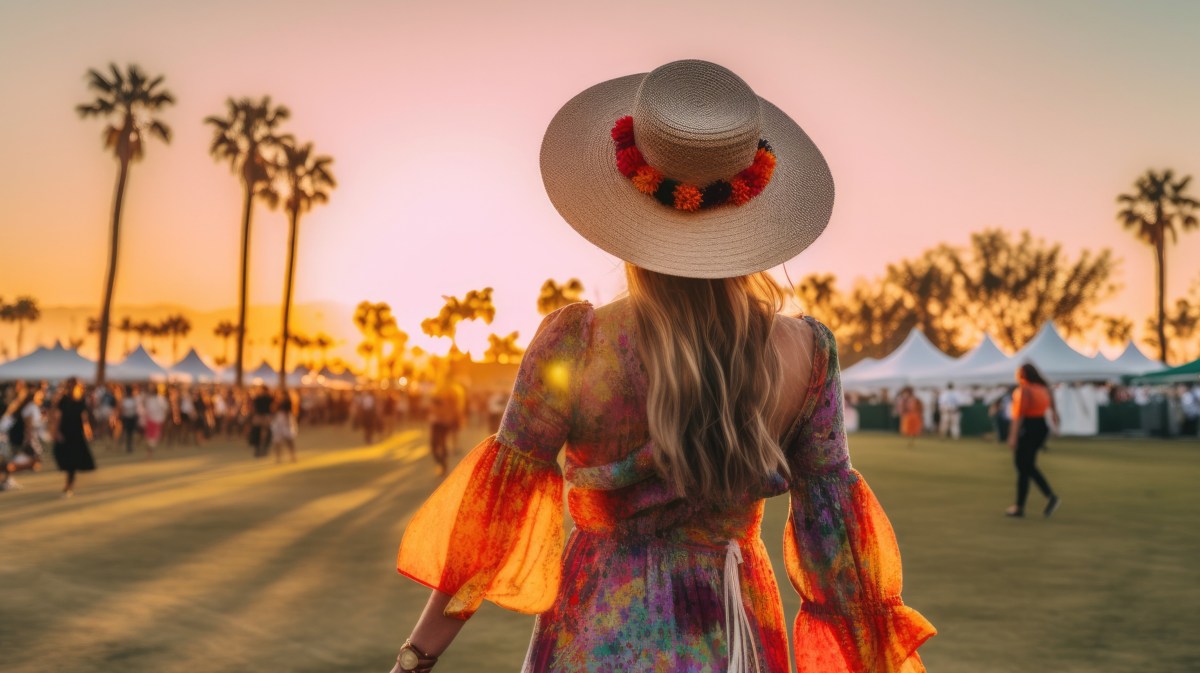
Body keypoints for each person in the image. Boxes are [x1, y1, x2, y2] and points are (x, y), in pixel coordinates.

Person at [388, 60, 933, 673]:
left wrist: (415, 659)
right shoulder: (806, 352)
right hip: (733, 632)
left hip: (598, 631)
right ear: (751, 208)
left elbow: (493, 525)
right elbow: (840, 558)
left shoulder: (578, 341)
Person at [1006, 363, 1061, 518]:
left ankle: (1048, 496)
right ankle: (1020, 506)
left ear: (1022, 375)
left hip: (1029, 427)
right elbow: (1054, 410)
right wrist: (1056, 425)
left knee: (1023, 465)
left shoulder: (1025, 390)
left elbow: (1018, 416)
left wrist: (1012, 436)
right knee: (1026, 466)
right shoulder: (1044, 389)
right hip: (1041, 427)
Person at [51, 378, 95, 497]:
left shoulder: (81, 400)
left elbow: (84, 418)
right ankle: (68, 484)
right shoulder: (63, 400)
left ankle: (68, 486)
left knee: (73, 463)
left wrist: (88, 431)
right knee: (61, 456)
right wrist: (56, 431)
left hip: (76, 433)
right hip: (65, 432)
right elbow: (57, 417)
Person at [269, 390, 298, 463]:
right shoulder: (277, 402)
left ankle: (292, 456)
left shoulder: (288, 402)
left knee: (288, 439)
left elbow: (290, 412)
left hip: (286, 420)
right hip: (279, 421)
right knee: (277, 440)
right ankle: (279, 458)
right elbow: (273, 410)